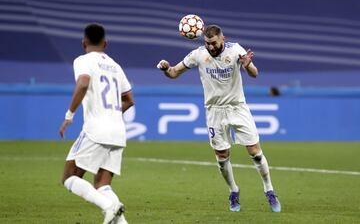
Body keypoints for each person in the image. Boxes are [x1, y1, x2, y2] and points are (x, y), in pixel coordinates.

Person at [156, 25, 281, 213]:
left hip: (238, 108)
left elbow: (255, 74)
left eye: (213, 43)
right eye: (207, 43)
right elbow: (174, 73)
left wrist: (247, 65)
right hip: (214, 110)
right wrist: (166, 69)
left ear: (223, 39)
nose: (211, 47)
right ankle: (233, 191)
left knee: (255, 151)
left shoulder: (236, 50)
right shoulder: (198, 55)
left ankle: (269, 190)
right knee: (222, 156)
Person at [59, 23, 134, 224]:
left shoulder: (83, 60)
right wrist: (112, 114)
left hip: (95, 130)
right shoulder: (115, 65)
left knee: (69, 177)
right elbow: (129, 99)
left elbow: (83, 82)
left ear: (84, 42)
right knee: (102, 185)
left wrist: (69, 115)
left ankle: (109, 206)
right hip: (118, 131)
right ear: (105, 43)